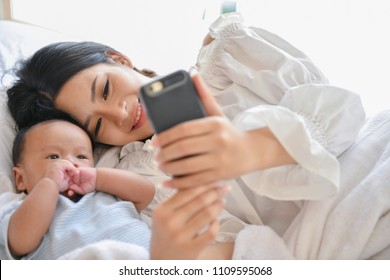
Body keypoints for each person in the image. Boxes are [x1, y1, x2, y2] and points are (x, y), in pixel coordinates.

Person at [6, 13, 366, 242]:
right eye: (98, 124)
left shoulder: (228, 60)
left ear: (119, 60)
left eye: (106, 88)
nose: (120, 113)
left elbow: (342, 112)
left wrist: (249, 151)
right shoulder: (137, 182)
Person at [0, 118, 231, 260]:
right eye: (53, 156)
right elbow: (22, 241)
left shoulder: (104, 192)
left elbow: (145, 192)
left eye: (81, 156)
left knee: (229, 252)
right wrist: (49, 184)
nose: (71, 163)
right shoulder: (18, 206)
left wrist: (99, 178)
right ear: (21, 179)